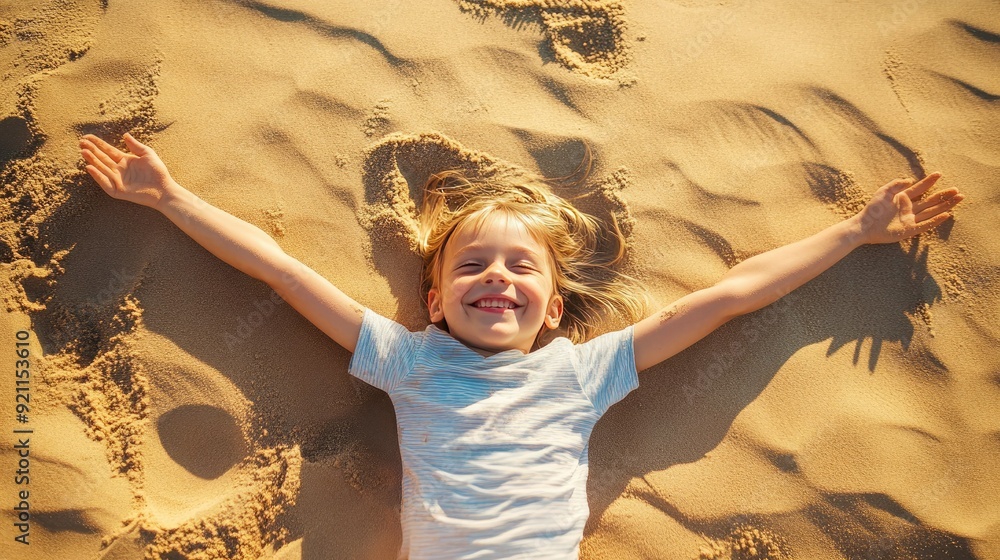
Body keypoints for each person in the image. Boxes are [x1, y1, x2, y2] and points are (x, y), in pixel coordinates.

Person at [79, 132, 965, 559]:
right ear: (434, 300)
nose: (497, 277)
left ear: (550, 309)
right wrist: (170, 200)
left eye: (520, 268)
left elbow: (729, 300)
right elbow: (280, 274)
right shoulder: (404, 359)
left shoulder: (585, 371)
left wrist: (853, 234)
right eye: (472, 265)